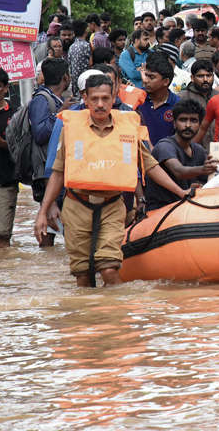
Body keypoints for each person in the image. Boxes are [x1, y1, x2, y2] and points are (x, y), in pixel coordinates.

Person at [33, 73, 188, 286]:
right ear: (85, 98)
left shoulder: (128, 127)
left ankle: (117, 316)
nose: (100, 104)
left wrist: (181, 193)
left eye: (105, 98)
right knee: (83, 275)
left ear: (114, 97)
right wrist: (44, 211)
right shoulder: (71, 129)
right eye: (94, 99)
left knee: (109, 268)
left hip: (112, 206)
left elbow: (150, 165)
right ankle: (91, 315)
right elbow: (58, 172)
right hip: (77, 207)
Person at [144, 99, 219, 211]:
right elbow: (179, 171)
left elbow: (206, 181)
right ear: (174, 123)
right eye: (183, 120)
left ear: (200, 124)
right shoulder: (165, 146)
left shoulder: (199, 151)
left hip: (186, 209)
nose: (188, 125)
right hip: (160, 211)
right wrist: (203, 169)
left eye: (193, 121)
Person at [28, 58, 72, 206]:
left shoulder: (59, 99)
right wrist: (61, 112)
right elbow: (40, 134)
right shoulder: (41, 99)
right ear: (65, 77)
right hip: (49, 172)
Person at [137, 52, 179, 145]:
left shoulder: (177, 105)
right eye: (146, 75)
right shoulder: (137, 98)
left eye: (151, 77)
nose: (146, 80)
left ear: (166, 81)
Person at [0, 67, 16, 247]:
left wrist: (4, 144)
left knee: (2, 235)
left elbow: (21, 146)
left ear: (5, 88)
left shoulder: (14, 114)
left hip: (6, 180)